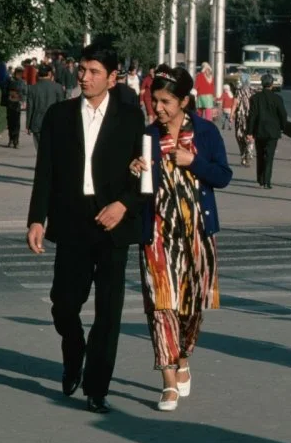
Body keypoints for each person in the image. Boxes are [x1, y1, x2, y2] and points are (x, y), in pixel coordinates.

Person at [25, 44, 146, 414]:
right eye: (82, 69)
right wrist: (36, 219)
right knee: (64, 304)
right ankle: (73, 351)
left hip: (114, 223)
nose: (84, 77)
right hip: (73, 221)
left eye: (94, 71)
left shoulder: (130, 118)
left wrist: (123, 205)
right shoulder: (59, 116)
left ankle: (97, 388)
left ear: (112, 78)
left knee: (109, 312)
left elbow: (145, 176)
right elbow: (44, 171)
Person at [129, 65, 232, 411]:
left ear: (184, 101)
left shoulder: (205, 133)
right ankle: (168, 380)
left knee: (191, 308)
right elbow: (136, 188)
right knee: (161, 307)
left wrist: (193, 161)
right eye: (154, 100)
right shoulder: (147, 137)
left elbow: (223, 176)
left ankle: (183, 353)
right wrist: (133, 171)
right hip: (157, 235)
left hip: (198, 235)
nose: (157, 108)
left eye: (165, 102)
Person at [245, 73, 288, 189]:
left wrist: (249, 132)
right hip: (273, 131)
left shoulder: (255, 98)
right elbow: (283, 115)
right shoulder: (278, 99)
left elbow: (252, 116)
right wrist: (282, 128)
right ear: (272, 84)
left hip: (259, 130)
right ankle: (267, 182)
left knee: (260, 154)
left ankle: (260, 178)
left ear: (262, 83)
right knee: (269, 156)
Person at [26, 63, 65, 148]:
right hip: (54, 123)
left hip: (37, 123)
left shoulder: (32, 88)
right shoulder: (58, 87)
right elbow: (62, 107)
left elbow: (30, 108)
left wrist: (28, 125)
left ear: (38, 74)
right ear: (50, 74)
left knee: (40, 150)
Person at [4, 67, 28, 149]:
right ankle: (11, 139)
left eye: (20, 73)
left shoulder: (23, 82)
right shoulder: (10, 80)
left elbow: (25, 92)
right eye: (17, 73)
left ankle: (16, 141)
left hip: (17, 103)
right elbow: (5, 90)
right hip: (10, 103)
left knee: (17, 123)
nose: (18, 75)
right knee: (10, 122)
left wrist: (23, 101)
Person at [232, 79, 254, 167]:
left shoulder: (239, 92)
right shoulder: (253, 92)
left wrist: (231, 114)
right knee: (250, 135)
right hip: (251, 118)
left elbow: (235, 103)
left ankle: (243, 156)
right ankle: (249, 152)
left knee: (240, 136)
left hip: (240, 119)